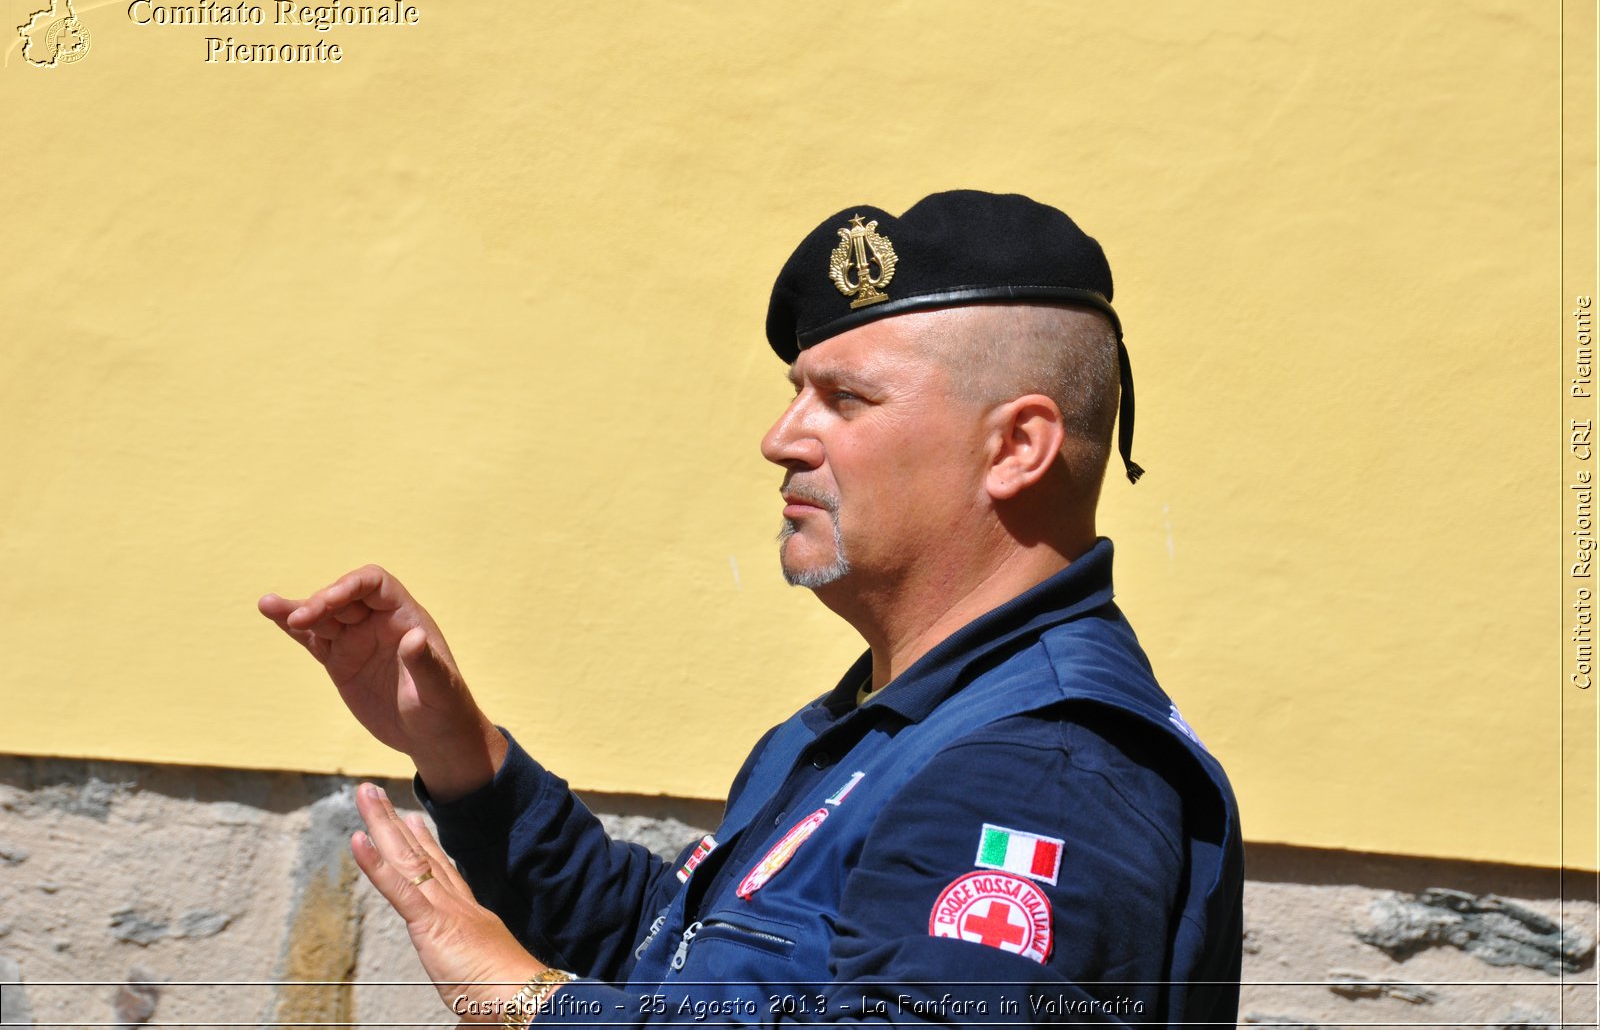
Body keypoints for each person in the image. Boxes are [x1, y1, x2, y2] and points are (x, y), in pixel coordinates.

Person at [259, 190, 1243, 1028]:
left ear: (1016, 447)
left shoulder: (1045, 766)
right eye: (794, 395)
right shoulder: (865, 725)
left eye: (845, 400)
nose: (781, 437)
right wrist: (469, 762)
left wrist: (524, 997)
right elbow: (677, 957)